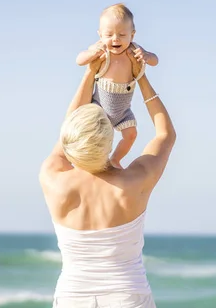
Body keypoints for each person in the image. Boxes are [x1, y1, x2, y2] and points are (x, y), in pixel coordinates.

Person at [39, 47, 176, 308]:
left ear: (71, 141)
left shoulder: (52, 178)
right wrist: (141, 78)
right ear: (110, 139)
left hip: (72, 298)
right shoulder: (135, 182)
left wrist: (90, 73)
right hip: (128, 297)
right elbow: (165, 135)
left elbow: (67, 134)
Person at [75, 3, 159, 169]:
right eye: (109, 34)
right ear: (100, 35)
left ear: (132, 35)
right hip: (99, 107)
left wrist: (147, 56)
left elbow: (155, 61)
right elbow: (79, 59)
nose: (115, 39)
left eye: (122, 34)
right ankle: (93, 162)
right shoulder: (100, 49)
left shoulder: (135, 50)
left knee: (131, 135)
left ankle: (115, 159)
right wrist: (92, 54)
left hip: (123, 111)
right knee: (93, 137)